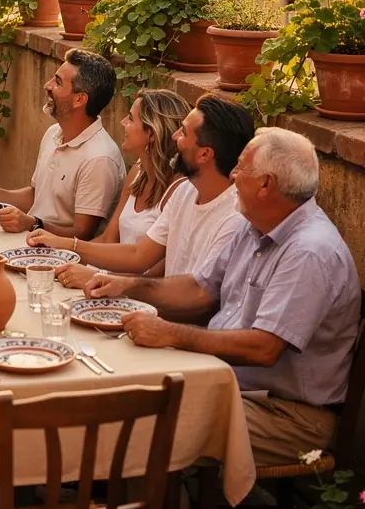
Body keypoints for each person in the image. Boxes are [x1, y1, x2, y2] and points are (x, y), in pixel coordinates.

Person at [89, 128, 359, 465]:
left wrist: (170, 334)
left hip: (288, 414)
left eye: (242, 168)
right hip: (228, 381)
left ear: (266, 184)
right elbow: (199, 289)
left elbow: (263, 348)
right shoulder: (255, 225)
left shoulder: (309, 252)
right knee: (119, 379)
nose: (232, 174)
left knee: (146, 420)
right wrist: (126, 285)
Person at [30, 94, 254, 293]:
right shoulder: (184, 191)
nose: (175, 137)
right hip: (142, 303)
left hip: (162, 315)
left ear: (205, 154)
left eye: (184, 132)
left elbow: (197, 297)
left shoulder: (233, 217)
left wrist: (106, 279)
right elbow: (138, 254)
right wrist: (66, 247)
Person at [0, 50, 125, 239]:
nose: (47, 86)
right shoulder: (53, 133)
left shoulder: (100, 159)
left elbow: (83, 234)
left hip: (64, 259)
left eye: (57, 82)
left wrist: (33, 224)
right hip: (33, 240)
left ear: (79, 99)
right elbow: (36, 196)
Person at [28, 88, 190, 272]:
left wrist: (75, 255)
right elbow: (107, 239)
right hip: (110, 280)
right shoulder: (138, 172)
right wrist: (59, 256)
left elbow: (157, 273)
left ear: (151, 133)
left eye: (130, 118)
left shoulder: (179, 191)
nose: (122, 123)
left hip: (132, 291)